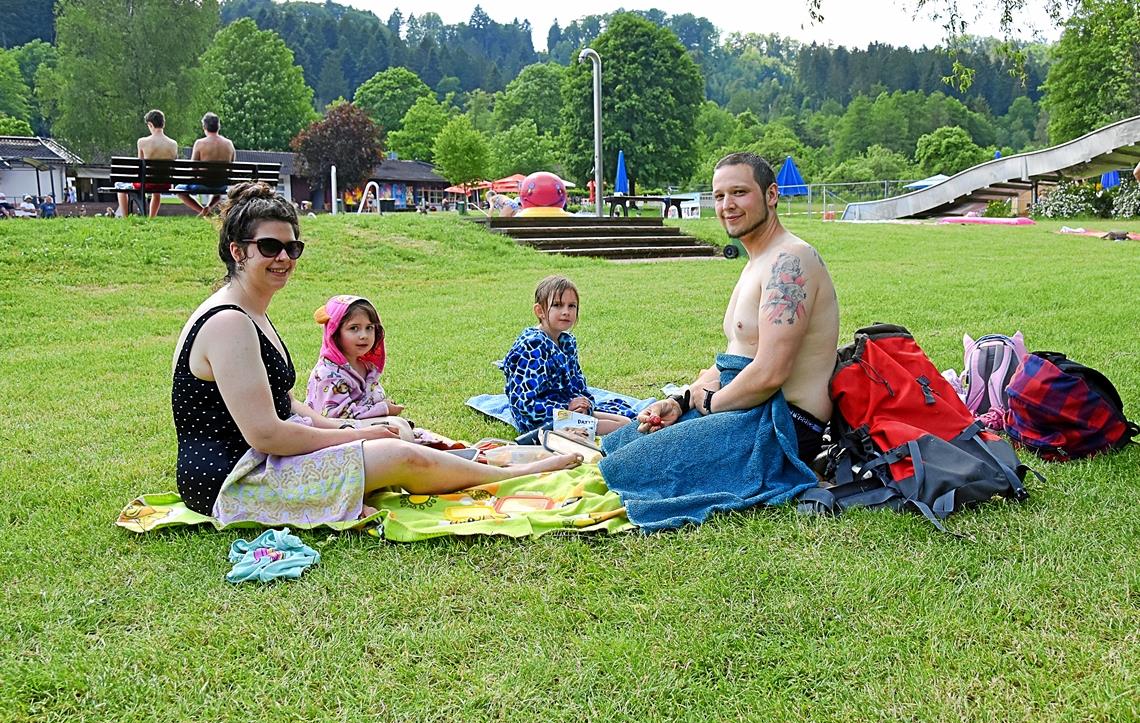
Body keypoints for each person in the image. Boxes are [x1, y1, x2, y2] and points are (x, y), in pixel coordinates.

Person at [171, 182, 581, 524]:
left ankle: (489, 465)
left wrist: (347, 430)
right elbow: (266, 433)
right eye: (269, 247)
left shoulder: (249, 312)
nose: (283, 258)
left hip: (259, 459)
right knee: (398, 454)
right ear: (238, 251)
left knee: (394, 435)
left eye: (292, 248)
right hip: (234, 480)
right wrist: (360, 433)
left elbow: (284, 403)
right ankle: (515, 475)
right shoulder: (229, 322)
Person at [597, 152, 840, 529]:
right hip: (742, 405)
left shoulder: (791, 261)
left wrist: (708, 404)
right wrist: (680, 400)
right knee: (623, 444)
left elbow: (771, 371)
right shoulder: (755, 262)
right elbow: (734, 354)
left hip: (782, 425)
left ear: (771, 195)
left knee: (631, 470)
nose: (727, 206)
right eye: (719, 195)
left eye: (739, 192)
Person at [503, 275, 636, 436]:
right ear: (540, 311)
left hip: (569, 412)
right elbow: (524, 404)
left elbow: (578, 384)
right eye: (557, 305)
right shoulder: (532, 346)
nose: (566, 312)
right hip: (542, 420)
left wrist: (585, 404)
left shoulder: (567, 342)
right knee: (623, 429)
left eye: (571, 306)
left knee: (626, 420)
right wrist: (566, 407)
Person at [305, 295, 412, 438]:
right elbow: (338, 418)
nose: (364, 335)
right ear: (335, 333)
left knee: (403, 431)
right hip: (335, 437)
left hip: (362, 429)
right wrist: (383, 409)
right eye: (354, 328)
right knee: (398, 435)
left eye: (369, 328)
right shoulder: (328, 374)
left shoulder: (366, 366)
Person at [118, 109, 178, 218]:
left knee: (119, 186)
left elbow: (139, 166)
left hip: (146, 183)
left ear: (150, 124)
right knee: (156, 191)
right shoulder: (173, 144)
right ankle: (151, 218)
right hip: (165, 183)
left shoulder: (142, 142)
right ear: (163, 124)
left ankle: (126, 218)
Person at [175, 112, 237, 217]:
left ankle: (202, 211)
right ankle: (207, 209)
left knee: (179, 190)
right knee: (217, 192)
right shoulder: (229, 144)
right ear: (219, 126)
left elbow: (192, 167)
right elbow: (231, 168)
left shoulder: (200, 143)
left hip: (202, 184)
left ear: (204, 126)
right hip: (221, 185)